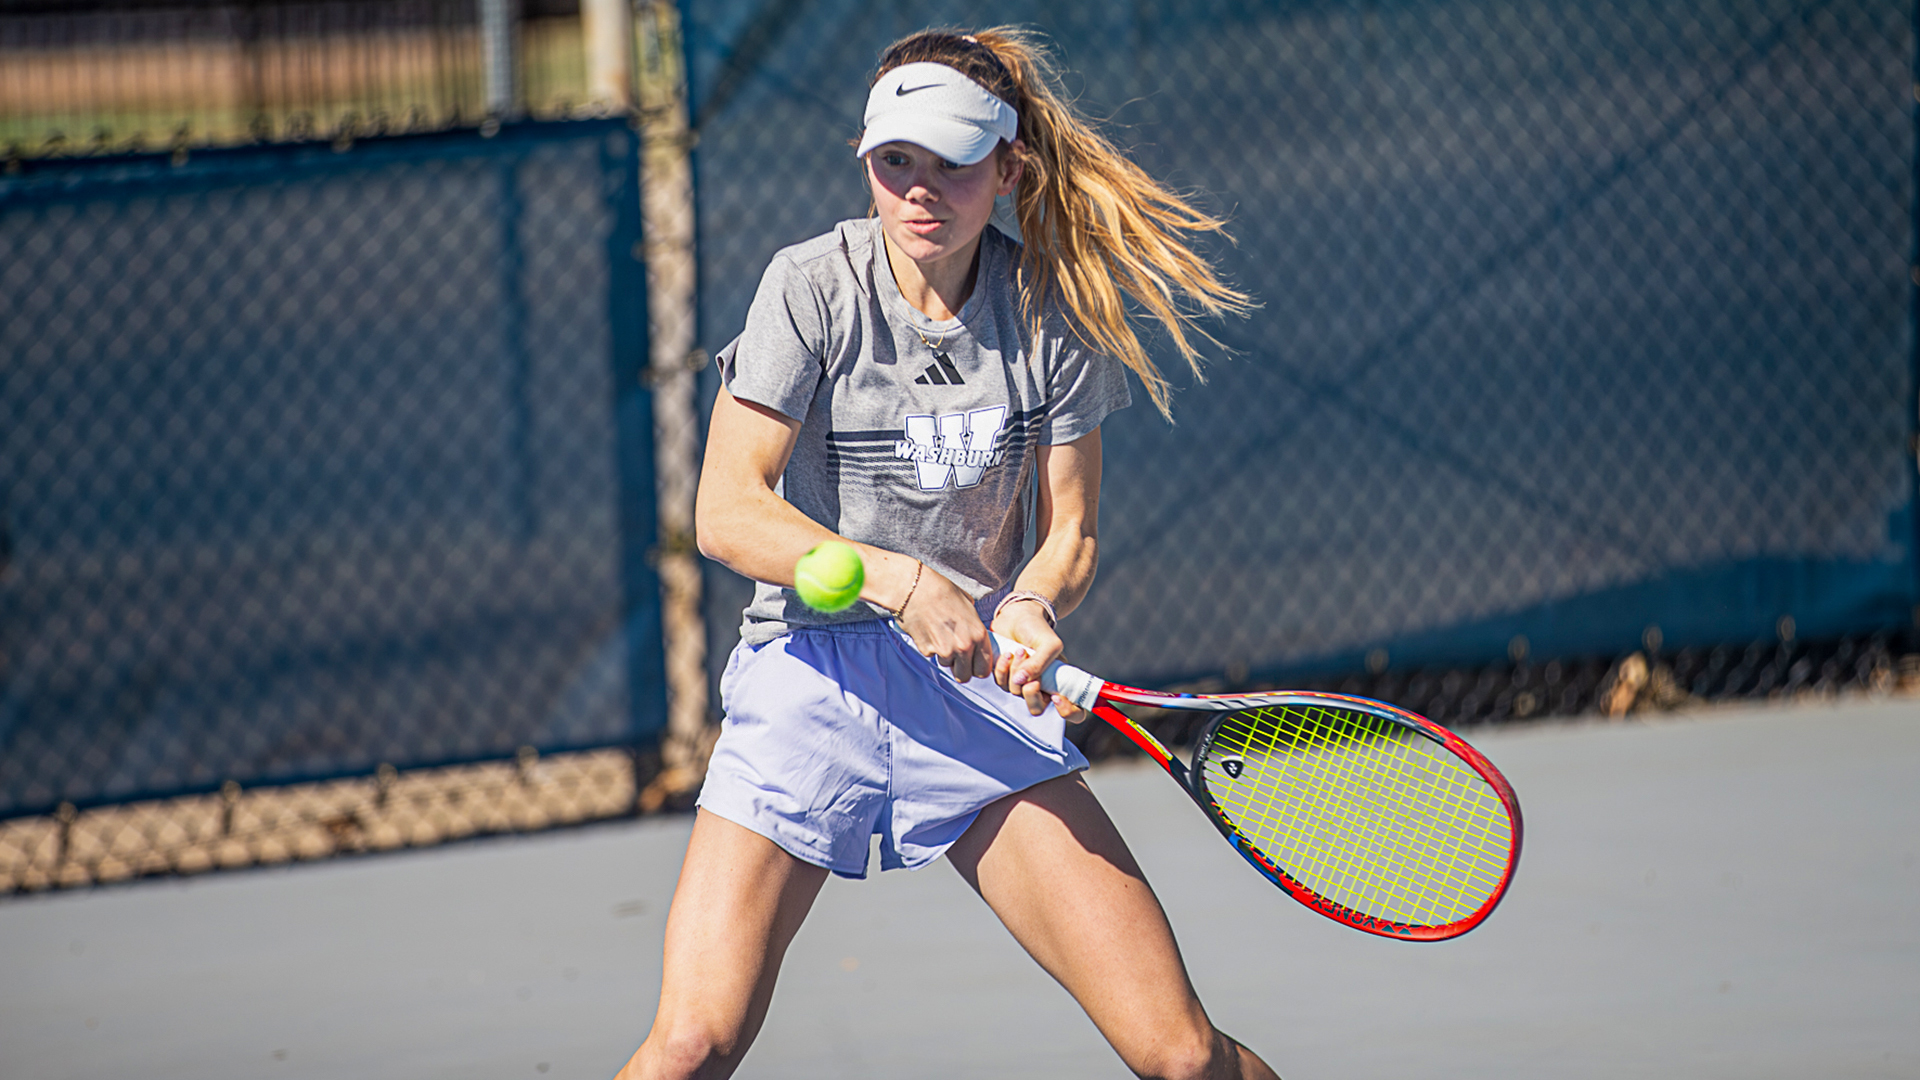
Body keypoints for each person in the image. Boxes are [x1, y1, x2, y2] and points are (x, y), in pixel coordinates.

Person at [617, 26, 1272, 1080]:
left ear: (1008, 170)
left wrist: (1031, 604)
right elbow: (727, 514)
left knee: (1182, 1056)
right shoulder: (810, 287)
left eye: (954, 165)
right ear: (867, 159)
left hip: (972, 700)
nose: (921, 192)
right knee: (692, 1042)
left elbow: (1072, 534)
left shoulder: (1050, 313)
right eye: (896, 163)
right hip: (808, 681)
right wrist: (900, 579)